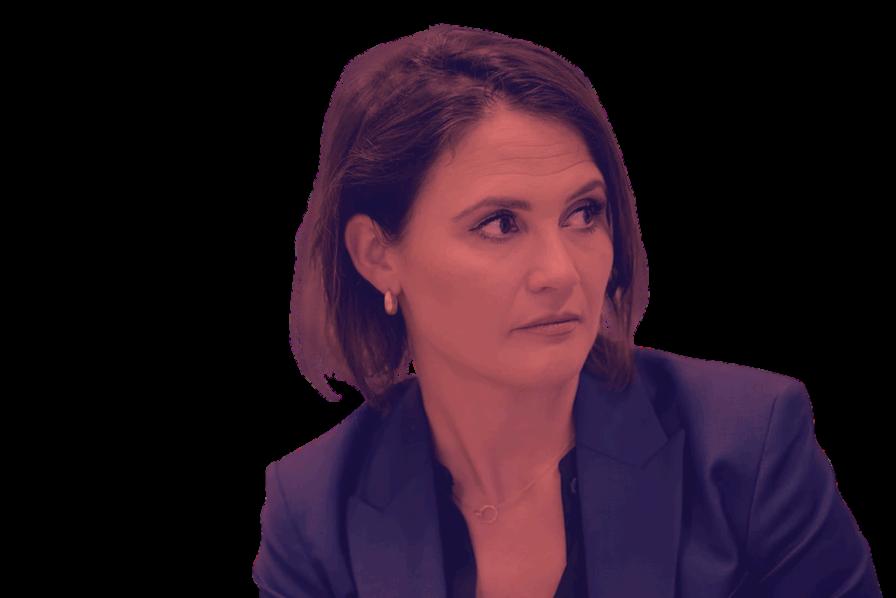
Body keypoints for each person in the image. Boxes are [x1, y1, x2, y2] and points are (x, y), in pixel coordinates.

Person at [253, 24, 882, 597]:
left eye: (584, 214)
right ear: (377, 255)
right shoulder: (312, 513)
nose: (561, 272)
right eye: (500, 224)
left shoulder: (747, 447)